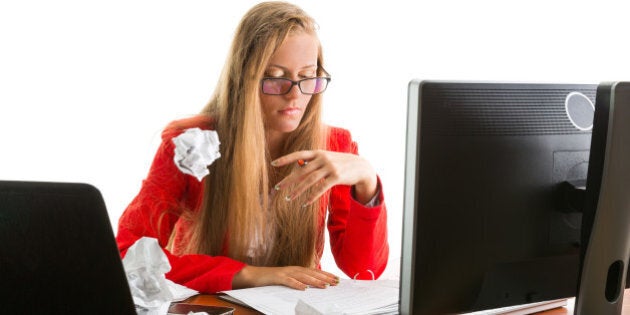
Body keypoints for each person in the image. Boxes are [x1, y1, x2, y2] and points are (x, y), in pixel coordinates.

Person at [116, 1, 389, 294]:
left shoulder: (336, 145)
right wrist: (250, 275)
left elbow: (364, 270)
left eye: (308, 76)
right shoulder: (191, 142)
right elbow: (129, 255)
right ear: (243, 79)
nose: (295, 96)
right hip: (214, 305)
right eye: (276, 77)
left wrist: (366, 183)